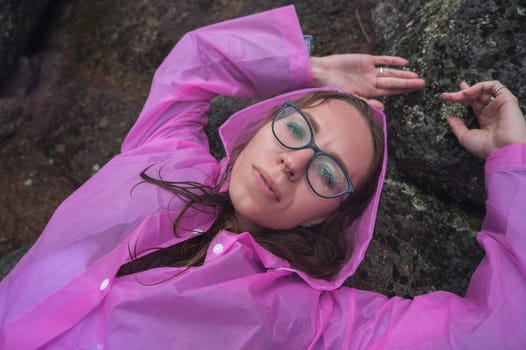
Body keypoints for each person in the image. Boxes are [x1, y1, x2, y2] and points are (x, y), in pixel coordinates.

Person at [1, 5, 525, 349]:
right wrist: (310, 69)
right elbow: (194, 61)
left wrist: (513, 158)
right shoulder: (162, 151)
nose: (294, 162)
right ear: (259, 125)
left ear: (331, 215)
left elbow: (494, 331)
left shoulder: (312, 322)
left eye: (327, 172)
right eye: (296, 127)